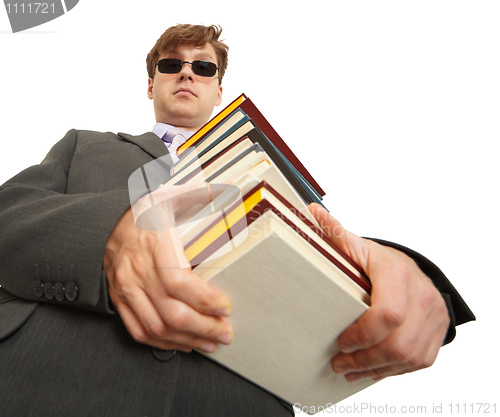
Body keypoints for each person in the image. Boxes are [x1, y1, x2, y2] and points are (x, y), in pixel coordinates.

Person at [0, 24, 474, 416]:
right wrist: (108, 235)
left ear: (218, 88)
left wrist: (404, 275)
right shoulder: (85, 144)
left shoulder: (269, 167)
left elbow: (329, 251)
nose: (187, 74)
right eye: (171, 64)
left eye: (202, 68)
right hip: (44, 383)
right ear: (151, 83)